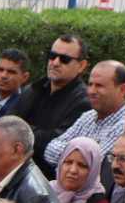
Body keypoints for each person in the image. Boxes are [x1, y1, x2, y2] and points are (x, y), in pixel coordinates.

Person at [19, 34, 92, 176]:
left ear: (81, 66)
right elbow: (8, 124)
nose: (55, 62)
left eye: (64, 59)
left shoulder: (84, 102)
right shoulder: (34, 89)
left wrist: (22, 131)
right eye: (52, 56)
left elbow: (55, 145)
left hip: (48, 179)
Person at [39, 61, 125, 170]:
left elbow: (95, 165)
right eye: (90, 84)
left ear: (122, 89)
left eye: (99, 86)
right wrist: (83, 157)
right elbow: (50, 150)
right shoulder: (87, 117)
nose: (91, 91)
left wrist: (68, 156)